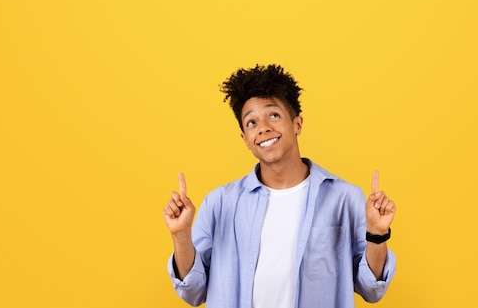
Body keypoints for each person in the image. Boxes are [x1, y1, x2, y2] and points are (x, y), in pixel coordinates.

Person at [163, 64, 397, 308]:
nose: (263, 127)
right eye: (251, 122)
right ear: (245, 139)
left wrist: (377, 234)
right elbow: (192, 292)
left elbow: (372, 290)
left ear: (297, 124)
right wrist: (180, 235)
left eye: (273, 115)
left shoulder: (344, 198)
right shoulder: (220, 203)